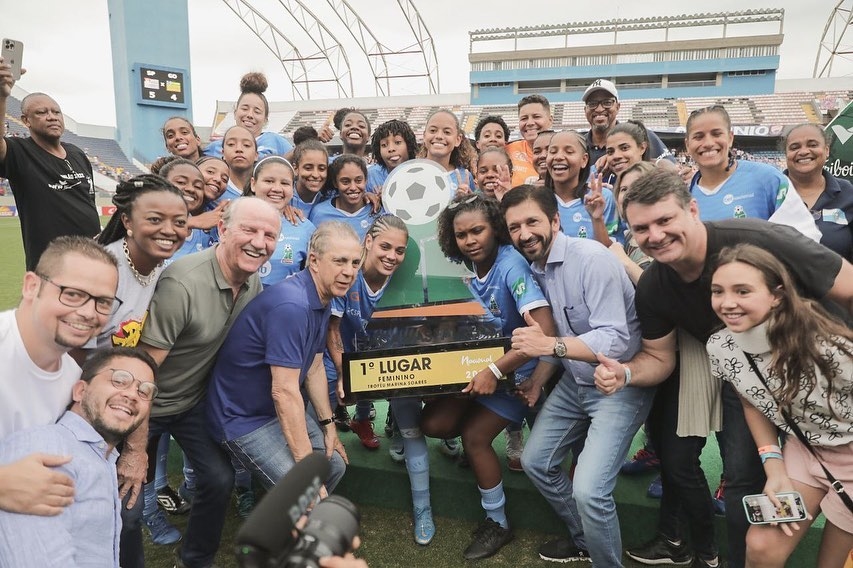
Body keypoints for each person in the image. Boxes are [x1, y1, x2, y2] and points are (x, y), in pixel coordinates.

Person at [593, 168, 853, 568]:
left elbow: (849, 287)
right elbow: (662, 360)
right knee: (743, 482)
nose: (656, 235)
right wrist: (624, 373)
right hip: (768, 397)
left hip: (834, 385)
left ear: (692, 209)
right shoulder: (668, 297)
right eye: (642, 228)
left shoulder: (763, 241)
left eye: (665, 220)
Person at [500, 184, 655, 566]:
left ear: (555, 220)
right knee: (536, 463)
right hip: (574, 381)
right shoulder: (533, 267)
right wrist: (537, 381)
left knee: (589, 491)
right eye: (514, 227)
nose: (524, 233)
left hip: (617, 383)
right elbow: (560, 336)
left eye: (532, 222)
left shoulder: (591, 258)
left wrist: (549, 346)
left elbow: (615, 340)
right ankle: (585, 538)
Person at [135, 196, 281, 568]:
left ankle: (194, 561)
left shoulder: (252, 284)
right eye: (249, 230)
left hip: (192, 404)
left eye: (269, 235)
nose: (259, 242)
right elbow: (143, 372)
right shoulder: (181, 283)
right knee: (127, 502)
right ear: (222, 229)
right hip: (144, 405)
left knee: (218, 479)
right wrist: (137, 446)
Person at [421, 194, 556, 560]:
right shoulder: (468, 265)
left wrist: (495, 370)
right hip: (478, 369)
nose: (470, 240)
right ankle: (474, 442)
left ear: (494, 228)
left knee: (475, 437)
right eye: (461, 235)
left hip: (515, 377)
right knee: (434, 423)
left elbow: (543, 330)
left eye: (477, 230)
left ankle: (497, 522)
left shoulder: (511, 264)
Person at [707, 244, 853, 568]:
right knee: (760, 548)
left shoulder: (827, 346)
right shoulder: (719, 346)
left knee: (830, 563)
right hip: (804, 448)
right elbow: (750, 399)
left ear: (777, 295)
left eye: (742, 291)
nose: (727, 302)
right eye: (718, 291)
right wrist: (773, 466)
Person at [207, 221, 361, 492]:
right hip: (242, 419)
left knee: (334, 465)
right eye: (339, 261)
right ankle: (291, 518)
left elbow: (313, 366)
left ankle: (291, 522)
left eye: (355, 263)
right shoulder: (293, 305)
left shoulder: (322, 297)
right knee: (306, 491)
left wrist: (329, 426)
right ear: (313, 260)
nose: (348, 272)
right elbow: (284, 392)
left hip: (273, 410)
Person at [0, 347, 157, 568]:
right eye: (119, 380)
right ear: (80, 391)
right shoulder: (50, 448)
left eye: (144, 391)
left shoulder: (100, 459)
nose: (132, 394)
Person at [0, 236, 119, 515]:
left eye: (103, 302)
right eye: (73, 294)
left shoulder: (72, 379)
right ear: (32, 286)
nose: (88, 312)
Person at [0, 61, 99, 271]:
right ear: (26, 121)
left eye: (56, 111)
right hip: (51, 267)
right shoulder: (20, 151)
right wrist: (2, 96)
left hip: (93, 260)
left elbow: (88, 203)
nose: (52, 116)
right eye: (41, 113)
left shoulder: (77, 153)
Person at [324, 215, 407, 451]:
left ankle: (372, 422)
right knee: (327, 388)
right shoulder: (349, 273)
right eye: (385, 246)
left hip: (378, 353)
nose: (392, 256)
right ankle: (322, 432)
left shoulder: (403, 280)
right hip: (341, 350)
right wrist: (343, 373)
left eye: (399, 251)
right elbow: (332, 328)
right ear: (368, 241)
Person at [685, 105, 820, 241]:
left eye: (716, 134)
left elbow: (806, 238)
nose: (708, 142)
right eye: (698, 137)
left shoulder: (768, 179)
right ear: (687, 145)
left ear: (730, 138)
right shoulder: (682, 195)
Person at [782, 123, 853, 261]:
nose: (803, 151)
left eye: (812, 145)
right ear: (786, 155)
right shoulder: (771, 192)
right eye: (794, 147)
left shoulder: (848, 193)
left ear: (826, 150)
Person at [246, 156, 316, 287]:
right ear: (253, 184)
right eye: (269, 181)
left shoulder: (305, 228)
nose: (277, 189)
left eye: (284, 183)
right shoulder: (234, 219)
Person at [547, 130, 618, 242]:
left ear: (584, 160)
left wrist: (597, 219)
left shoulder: (603, 197)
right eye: (552, 152)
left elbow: (611, 250)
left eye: (569, 152)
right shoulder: (537, 199)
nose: (558, 157)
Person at [204, 72, 293, 161]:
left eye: (257, 111)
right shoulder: (214, 148)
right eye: (245, 109)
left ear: (265, 119)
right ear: (235, 113)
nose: (250, 115)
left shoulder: (277, 142)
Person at [581, 79, 671, 167]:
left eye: (607, 102)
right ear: (585, 110)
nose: (599, 109)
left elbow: (673, 169)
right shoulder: (578, 146)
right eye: (592, 104)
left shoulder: (640, 135)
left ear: (617, 107)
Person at [310, 155, 378, 239]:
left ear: (366, 180)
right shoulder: (320, 213)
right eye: (345, 182)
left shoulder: (376, 209)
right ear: (335, 183)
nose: (353, 187)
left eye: (358, 181)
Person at [418, 109, 476, 194]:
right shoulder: (409, 171)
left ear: (457, 139)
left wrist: (463, 202)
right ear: (424, 136)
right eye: (433, 130)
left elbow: (473, 206)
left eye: (447, 132)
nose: (439, 136)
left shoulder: (464, 177)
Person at [506, 94, 554, 186]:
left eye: (536, 117)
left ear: (550, 120)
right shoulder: (507, 150)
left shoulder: (563, 150)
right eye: (524, 118)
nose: (530, 123)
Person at [366, 119, 417, 193]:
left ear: (409, 145)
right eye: (384, 145)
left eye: (397, 142)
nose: (391, 149)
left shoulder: (422, 172)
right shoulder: (371, 175)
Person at [292, 139, 331, 217]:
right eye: (308, 168)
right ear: (295, 169)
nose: (316, 175)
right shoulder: (283, 197)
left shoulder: (332, 197)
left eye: (322, 168)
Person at [221, 125, 260, 201]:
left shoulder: (266, 189)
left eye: (246, 145)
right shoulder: (217, 189)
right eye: (231, 144)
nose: (239, 149)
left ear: (256, 155)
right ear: (223, 153)